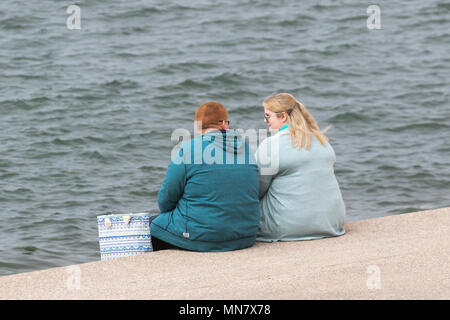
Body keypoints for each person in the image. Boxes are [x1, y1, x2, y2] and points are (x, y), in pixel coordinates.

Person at [149, 101, 261, 251]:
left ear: (198, 126)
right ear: (225, 125)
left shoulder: (188, 149)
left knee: (152, 225)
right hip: (246, 236)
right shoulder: (245, 147)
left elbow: (165, 200)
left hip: (204, 239)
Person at [255, 93, 346, 242]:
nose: (265, 121)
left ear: (283, 116)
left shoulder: (271, 144)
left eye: (268, 116)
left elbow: (257, 188)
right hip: (332, 223)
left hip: (286, 228)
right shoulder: (321, 140)